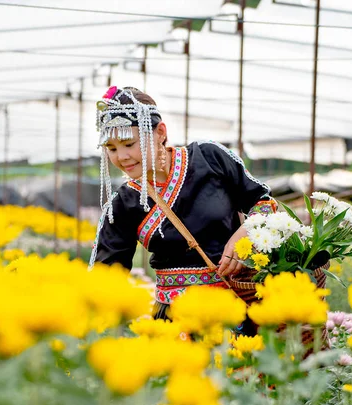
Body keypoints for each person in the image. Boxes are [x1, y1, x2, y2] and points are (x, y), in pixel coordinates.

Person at [88, 86, 276, 330]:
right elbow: (106, 278)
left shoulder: (209, 158)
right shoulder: (123, 204)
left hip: (238, 306)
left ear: (160, 132)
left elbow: (265, 203)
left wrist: (246, 233)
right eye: (111, 149)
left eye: (129, 143)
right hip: (175, 321)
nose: (122, 157)